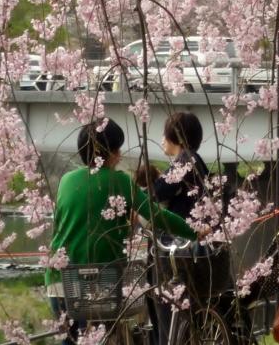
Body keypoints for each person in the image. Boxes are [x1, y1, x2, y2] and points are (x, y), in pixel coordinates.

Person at [46, 120, 197, 343]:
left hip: (60, 280)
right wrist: (194, 231)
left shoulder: (66, 180)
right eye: (117, 148)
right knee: (102, 336)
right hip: (99, 281)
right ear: (110, 152)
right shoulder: (120, 181)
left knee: (70, 340)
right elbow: (156, 215)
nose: (120, 154)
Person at [147, 111, 211, 345]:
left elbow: (155, 193)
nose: (162, 140)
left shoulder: (185, 161)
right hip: (191, 249)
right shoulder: (195, 160)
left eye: (165, 134)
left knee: (167, 314)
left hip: (176, 250)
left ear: (176, 137)